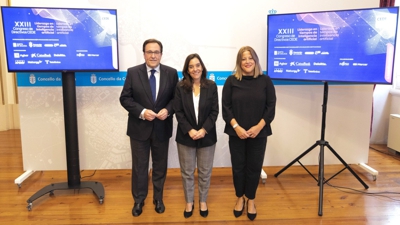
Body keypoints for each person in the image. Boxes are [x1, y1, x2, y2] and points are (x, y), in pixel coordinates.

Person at [120, 39, 179, 217]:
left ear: (161, 54)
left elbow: (177, 99)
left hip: (162, 127)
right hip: (139, 128)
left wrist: (168, 111)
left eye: (156, 52)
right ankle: (139, 200)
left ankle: (158, 198)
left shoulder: (171, 73)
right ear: (144, 53)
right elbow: (125, 98)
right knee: (140, 166)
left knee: (160, 166)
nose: (153, 55)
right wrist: (143, 111)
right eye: (149, 52)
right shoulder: (133, 72)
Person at [222, 46, 276, 221]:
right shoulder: (231, 81)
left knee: (254, 168)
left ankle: (251, 199)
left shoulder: (265, 81)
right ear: (239, 62)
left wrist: (259, 127)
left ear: (256, 60)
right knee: (238, 168)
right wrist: (237, 127)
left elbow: (270, 107)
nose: (247, 62)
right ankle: (240, 198)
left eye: (250, 58)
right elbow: (226, 108)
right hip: (236, 133)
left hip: (258, 133)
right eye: (243, 59)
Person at [173, 53, 219, 218]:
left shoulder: (211, 86)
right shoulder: (180, 87)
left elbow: (214, 112)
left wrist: (204, 129)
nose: (195, 69)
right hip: (186, 136)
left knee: (205, 172)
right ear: (187, 69)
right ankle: (189, 202)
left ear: (202, 67)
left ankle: (203, 201)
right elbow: (178, 111)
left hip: (207, 136)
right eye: (191, 66)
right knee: (187, 172)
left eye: (197, 65)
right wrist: (190, 130)